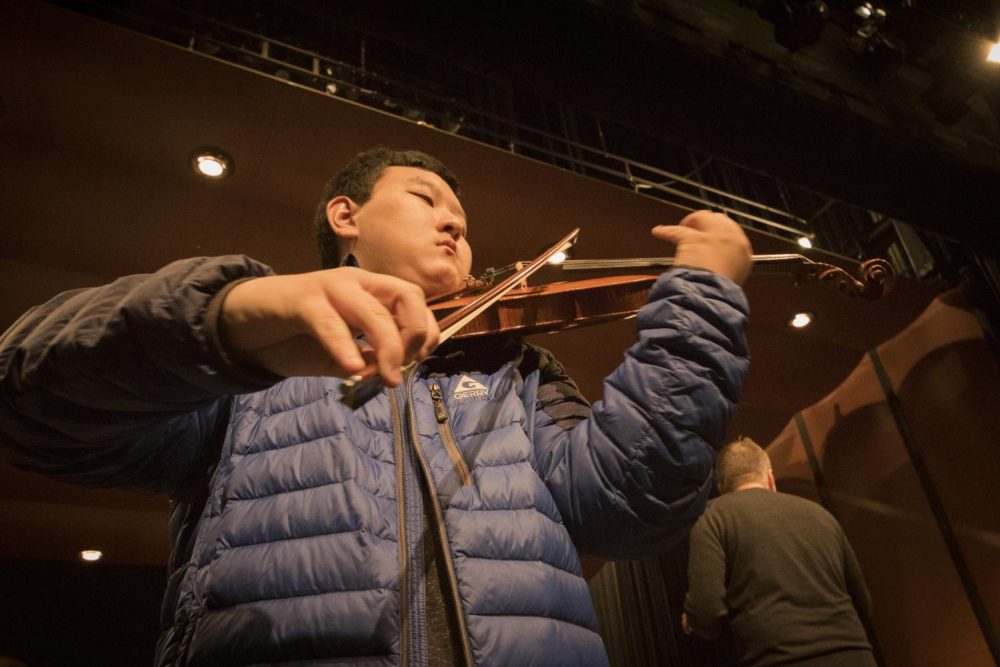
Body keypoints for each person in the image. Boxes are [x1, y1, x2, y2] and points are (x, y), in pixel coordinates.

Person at [0, 147, 752, 666]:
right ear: (345, 216)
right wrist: (228, 318)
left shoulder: (516, 372)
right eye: (426, 199)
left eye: (462, 213)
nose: (457, 223)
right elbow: (27, 401)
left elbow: (631, 506)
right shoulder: (248, 374)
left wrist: (702, 307)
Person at [682, 437, 876, 667]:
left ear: (722, 487)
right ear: (770, 478)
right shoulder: (820, 515)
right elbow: (863, 603)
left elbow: (707, 610)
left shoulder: (713, 518)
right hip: (855, 657)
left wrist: (693, 619)